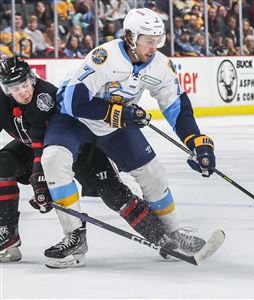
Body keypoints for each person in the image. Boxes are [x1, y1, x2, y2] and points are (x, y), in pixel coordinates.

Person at [41, 8, 216, 265]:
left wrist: (196, 142)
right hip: (75, 120)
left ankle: (172, 233)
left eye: (158, 39)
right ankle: (74, 238)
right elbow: (73, 102)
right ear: (131, 37)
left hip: (114, 123)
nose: (154, 46)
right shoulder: (104, 57)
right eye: (149, 40)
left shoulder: (159, 65)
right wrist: (120, 111)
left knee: (153, 173)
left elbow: (176, 106)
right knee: (54, 158)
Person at [0, 56, 167, 267]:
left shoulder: (43, 97)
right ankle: (8, 235)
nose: (23, 92)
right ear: (6, 90)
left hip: (76, 143)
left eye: (24, 84)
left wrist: (39, 181)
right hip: (41, 150)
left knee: (112, 192)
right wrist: (40, 182)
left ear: (31, 78)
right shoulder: (2, 101)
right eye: (15, 88)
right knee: (3, 163)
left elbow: (41, 145)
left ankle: (161, 236)